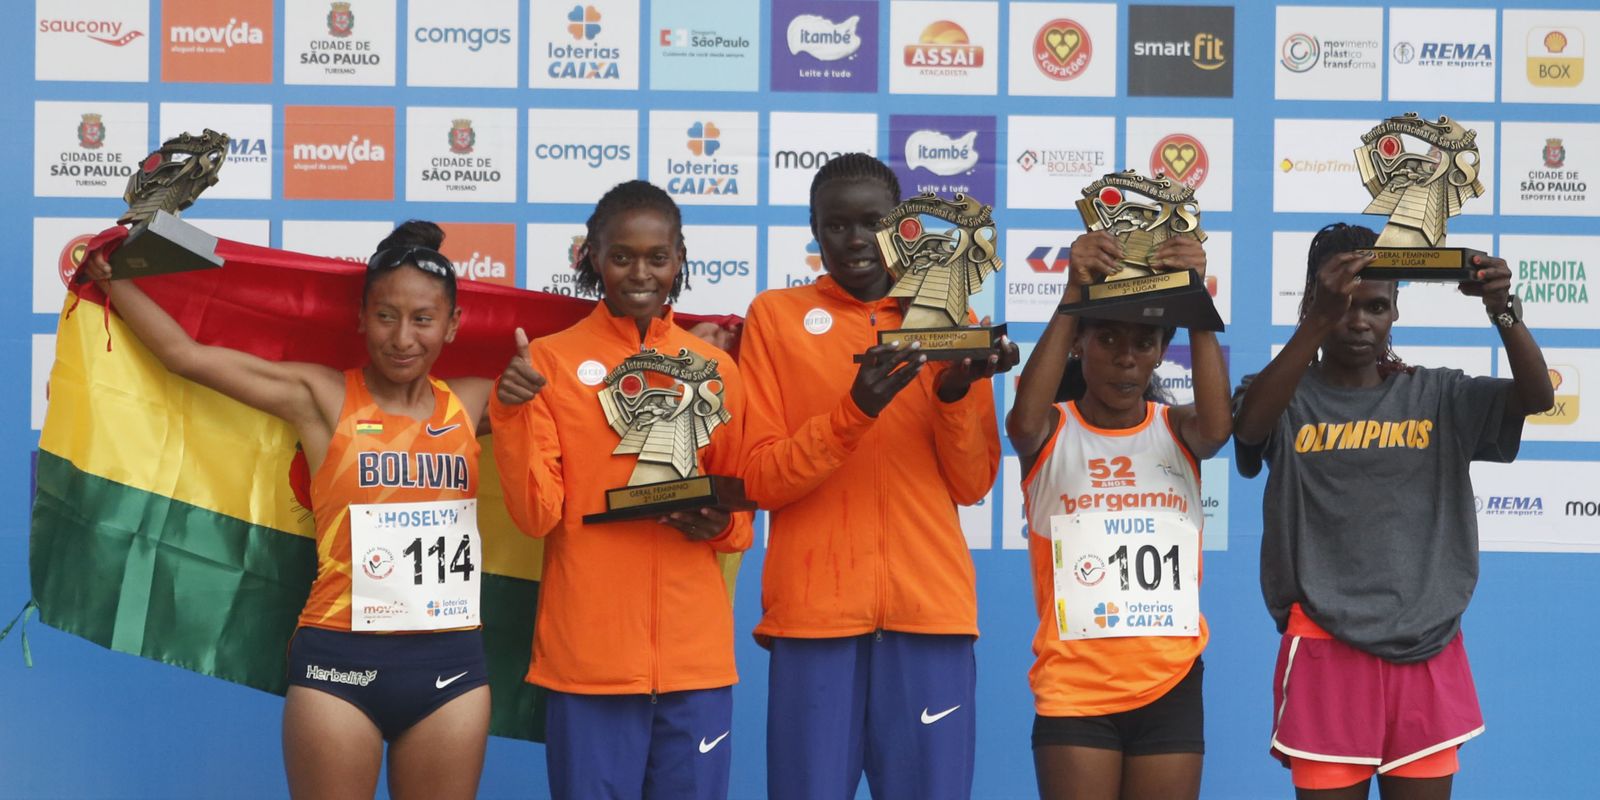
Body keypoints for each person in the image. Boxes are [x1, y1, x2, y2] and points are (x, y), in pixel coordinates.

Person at [85, 220, 533, 799]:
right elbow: (184, 357)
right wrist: (116, 281)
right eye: (385, 316)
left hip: (450, 667)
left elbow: (584, 390)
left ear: (453, 325)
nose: (402, 338)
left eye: (423, 319)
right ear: (360, 318)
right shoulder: (322, 398)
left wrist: (687, 343)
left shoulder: (473, 401)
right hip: (339, 662)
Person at [1232, 223, 1554, 799]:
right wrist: (1314, 323)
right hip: (1325, 646)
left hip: (1425, 644)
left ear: (1396, 310)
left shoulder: (1437, 394)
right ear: (1314, 301)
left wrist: (1503, 310)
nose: (1359, 322)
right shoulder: (1282, 395)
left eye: (1377, 306)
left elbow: (1537, 397)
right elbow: (1251, 429)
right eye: (1344, 306)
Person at [737, 153, 1018, 799]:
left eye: (872, 222)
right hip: (814, 620)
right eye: (836, 225)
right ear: (814, 228)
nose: (855, 239)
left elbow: (973, 484)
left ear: (903, 226)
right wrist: (855, 410)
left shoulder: (950, 320)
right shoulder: (776, 318)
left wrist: (952, 394)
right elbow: (759, 480)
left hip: (930, 616)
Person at [488, 180, 752, 800]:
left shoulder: (716, 369)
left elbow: (742, 513)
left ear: (679, 260)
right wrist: (512, 412)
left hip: (696, 664)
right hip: (589, 664)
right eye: (621, 256)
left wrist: (720, 525)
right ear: (592, 259)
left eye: (657, 257)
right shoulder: (550, 363)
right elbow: (536, 515)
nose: (641, 272)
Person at [1006, 232, 1229, 800]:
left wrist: (1195, 296)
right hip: (1076, 686)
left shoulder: (1178, 429)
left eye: (1144, 342)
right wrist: (1072, 292)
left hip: (1170, 683)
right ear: (1080, 344)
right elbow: (1021, 424)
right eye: (1106, 339)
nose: (1126, 358)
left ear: (1161, 350)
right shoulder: (1051, 432)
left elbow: (1220, 428)